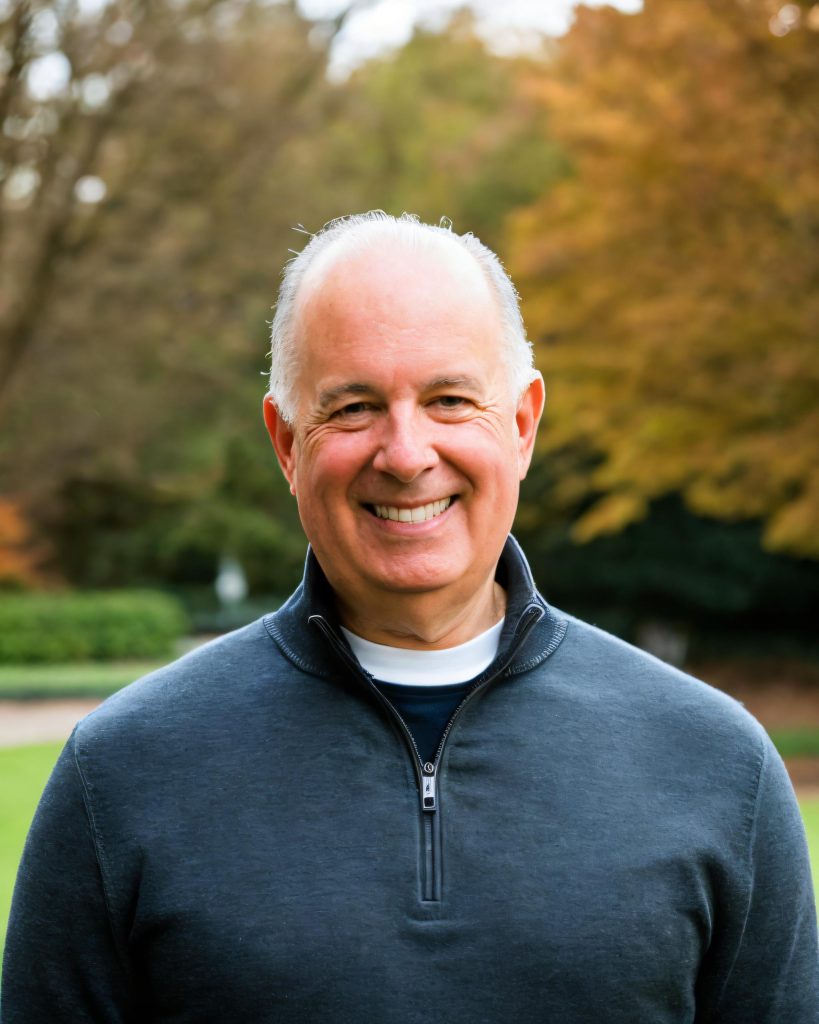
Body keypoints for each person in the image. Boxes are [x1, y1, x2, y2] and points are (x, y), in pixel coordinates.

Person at [2, 212, 817, 1023]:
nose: (404, 453)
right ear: (286, 443)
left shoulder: (715, 766)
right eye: (353, 407)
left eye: (450, 399)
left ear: (523, 425)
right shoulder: (120, 777)